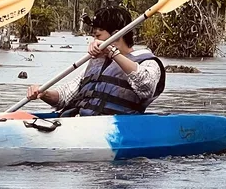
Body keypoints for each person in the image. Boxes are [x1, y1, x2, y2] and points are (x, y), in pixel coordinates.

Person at [25, 7, 164, 116]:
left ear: (116, 35)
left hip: (119, 127)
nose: (94, 41)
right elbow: (64, 97)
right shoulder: (96, 63)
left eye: (98, 36)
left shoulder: (148, 62)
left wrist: (112, 52)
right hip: (81, 123)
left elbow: (146, 88)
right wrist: (43, 93)